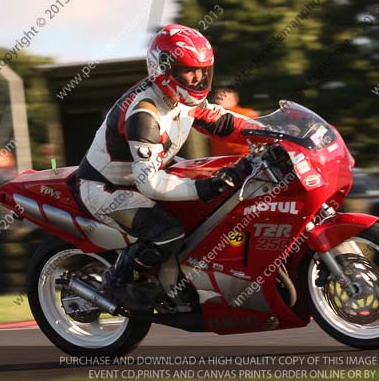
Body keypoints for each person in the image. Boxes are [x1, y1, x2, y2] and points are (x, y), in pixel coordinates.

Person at [75, 24, 253, 297]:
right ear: (164, 69)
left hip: (151, 170)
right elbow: (150, 183)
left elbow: (224, 122)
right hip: (110, 187)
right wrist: (203, 188)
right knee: (167, 232)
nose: (197, 78)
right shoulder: (144, 113)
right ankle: (117, 281)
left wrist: (275, 133)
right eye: (188, 70)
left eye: (202, 70)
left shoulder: (180, 97)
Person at [209, 88, 259, 156]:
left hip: (244, 157)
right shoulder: (211, 116)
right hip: (220, 159)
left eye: (221, 98)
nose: (217, 101)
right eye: (216, 98)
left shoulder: (247, 114)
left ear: (233, 100)